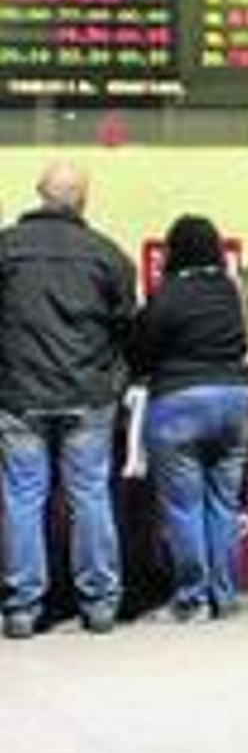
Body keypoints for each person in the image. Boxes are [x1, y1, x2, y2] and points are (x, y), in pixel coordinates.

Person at [0, 162, 137, 639]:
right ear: (84, 200)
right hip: (88, 395)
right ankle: (99, 604)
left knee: (22, 497)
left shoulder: (5, 249)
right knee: (90, 495)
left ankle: (22, 608)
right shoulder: (108, 255)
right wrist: (113, 381)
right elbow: (129, 331)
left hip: (18, 395)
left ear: (39, 194)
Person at [129, 216, 248, 622]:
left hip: (181, 402)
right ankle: (225, 595)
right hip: (236, 399)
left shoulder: (168, 294)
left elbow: (141, 351)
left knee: (185, 506)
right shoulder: (234, 291)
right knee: (224, 503)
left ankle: (192, 600)